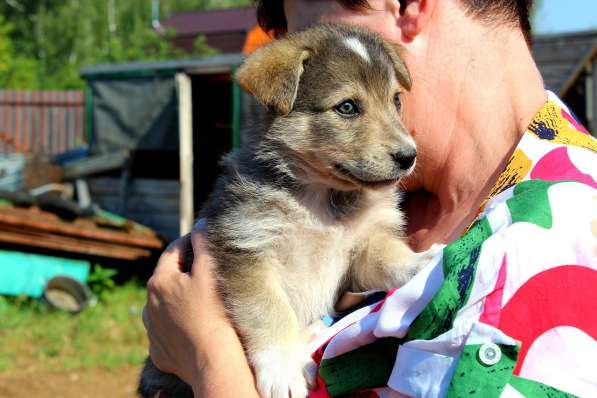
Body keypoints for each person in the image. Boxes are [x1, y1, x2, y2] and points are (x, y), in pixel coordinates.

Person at [142, 1, 597, 397]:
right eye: (349, 108)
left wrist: (209, 361)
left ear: (405, 5)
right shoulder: (433, 206)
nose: (309, 43)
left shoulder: (543, 249)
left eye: (302, 23)